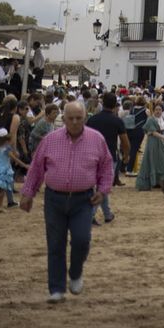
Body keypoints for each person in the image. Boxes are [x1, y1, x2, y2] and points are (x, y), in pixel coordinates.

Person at [20, 101, 115, 304]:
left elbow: (106, 167)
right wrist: (28, 193)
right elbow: (37, 168)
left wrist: (103, 190)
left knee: (82, 239)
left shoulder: (96, 139)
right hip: (54, 198)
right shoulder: (50, 140)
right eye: (70, 118)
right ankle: (56, 288)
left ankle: (75, 272)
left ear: (85, 118)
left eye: (78, 118)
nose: (74, 122)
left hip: (83, 199)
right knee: (55, 243)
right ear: (63, 119)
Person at [86, 94, 130, 224]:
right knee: (104, 186)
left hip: (92, 155)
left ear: (102, 103)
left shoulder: (93, 119)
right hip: (109, 156)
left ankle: (107, 214)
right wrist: (126, 155)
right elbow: (125, 141)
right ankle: (91, 215)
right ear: (115, 105)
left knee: (100, 186)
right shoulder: (117, 121)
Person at [135, 101, 164, 191]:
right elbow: (153, 132)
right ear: (153, 110)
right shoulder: (151, 119)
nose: (158, 111)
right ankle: (151, 182)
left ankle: (161, 181)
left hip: (160, 142)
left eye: (160, 110)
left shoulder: (162, 119)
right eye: (156, 110)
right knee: (153, 161)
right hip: (153, 142)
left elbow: (162, 130)